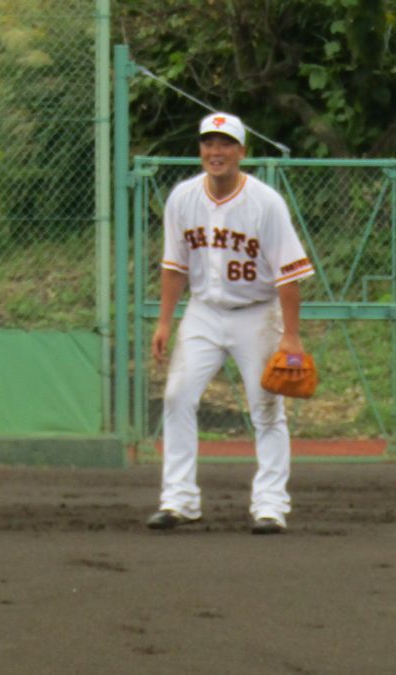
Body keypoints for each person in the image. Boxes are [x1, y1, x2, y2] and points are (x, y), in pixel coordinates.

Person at [147, 112, 314, 535]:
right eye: (208, 143)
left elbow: (288, 274)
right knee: (177, 397)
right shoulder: (182, 199)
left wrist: (290, 336)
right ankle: (179, 500)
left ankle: (271, 506)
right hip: (203, 312)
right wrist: (164, 322)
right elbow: (173, 266)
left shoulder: (265, 203)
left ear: (241, 151)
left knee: (268, 407)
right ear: (201, 150)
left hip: (257, 313)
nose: (215, 152)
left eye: (225, 144)